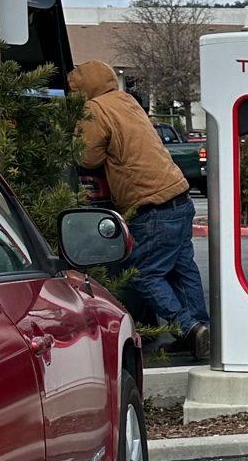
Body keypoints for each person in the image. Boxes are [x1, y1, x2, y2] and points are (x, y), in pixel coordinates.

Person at [67, 60, 210, 360]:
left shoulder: (94, 110)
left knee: (143, 274)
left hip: (151, 205)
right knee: (183, 269)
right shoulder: (126, 101)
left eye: (73, 91)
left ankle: (189, 328)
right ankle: (201, 332)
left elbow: (87, 157)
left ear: (84, 90)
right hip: (179, 197)